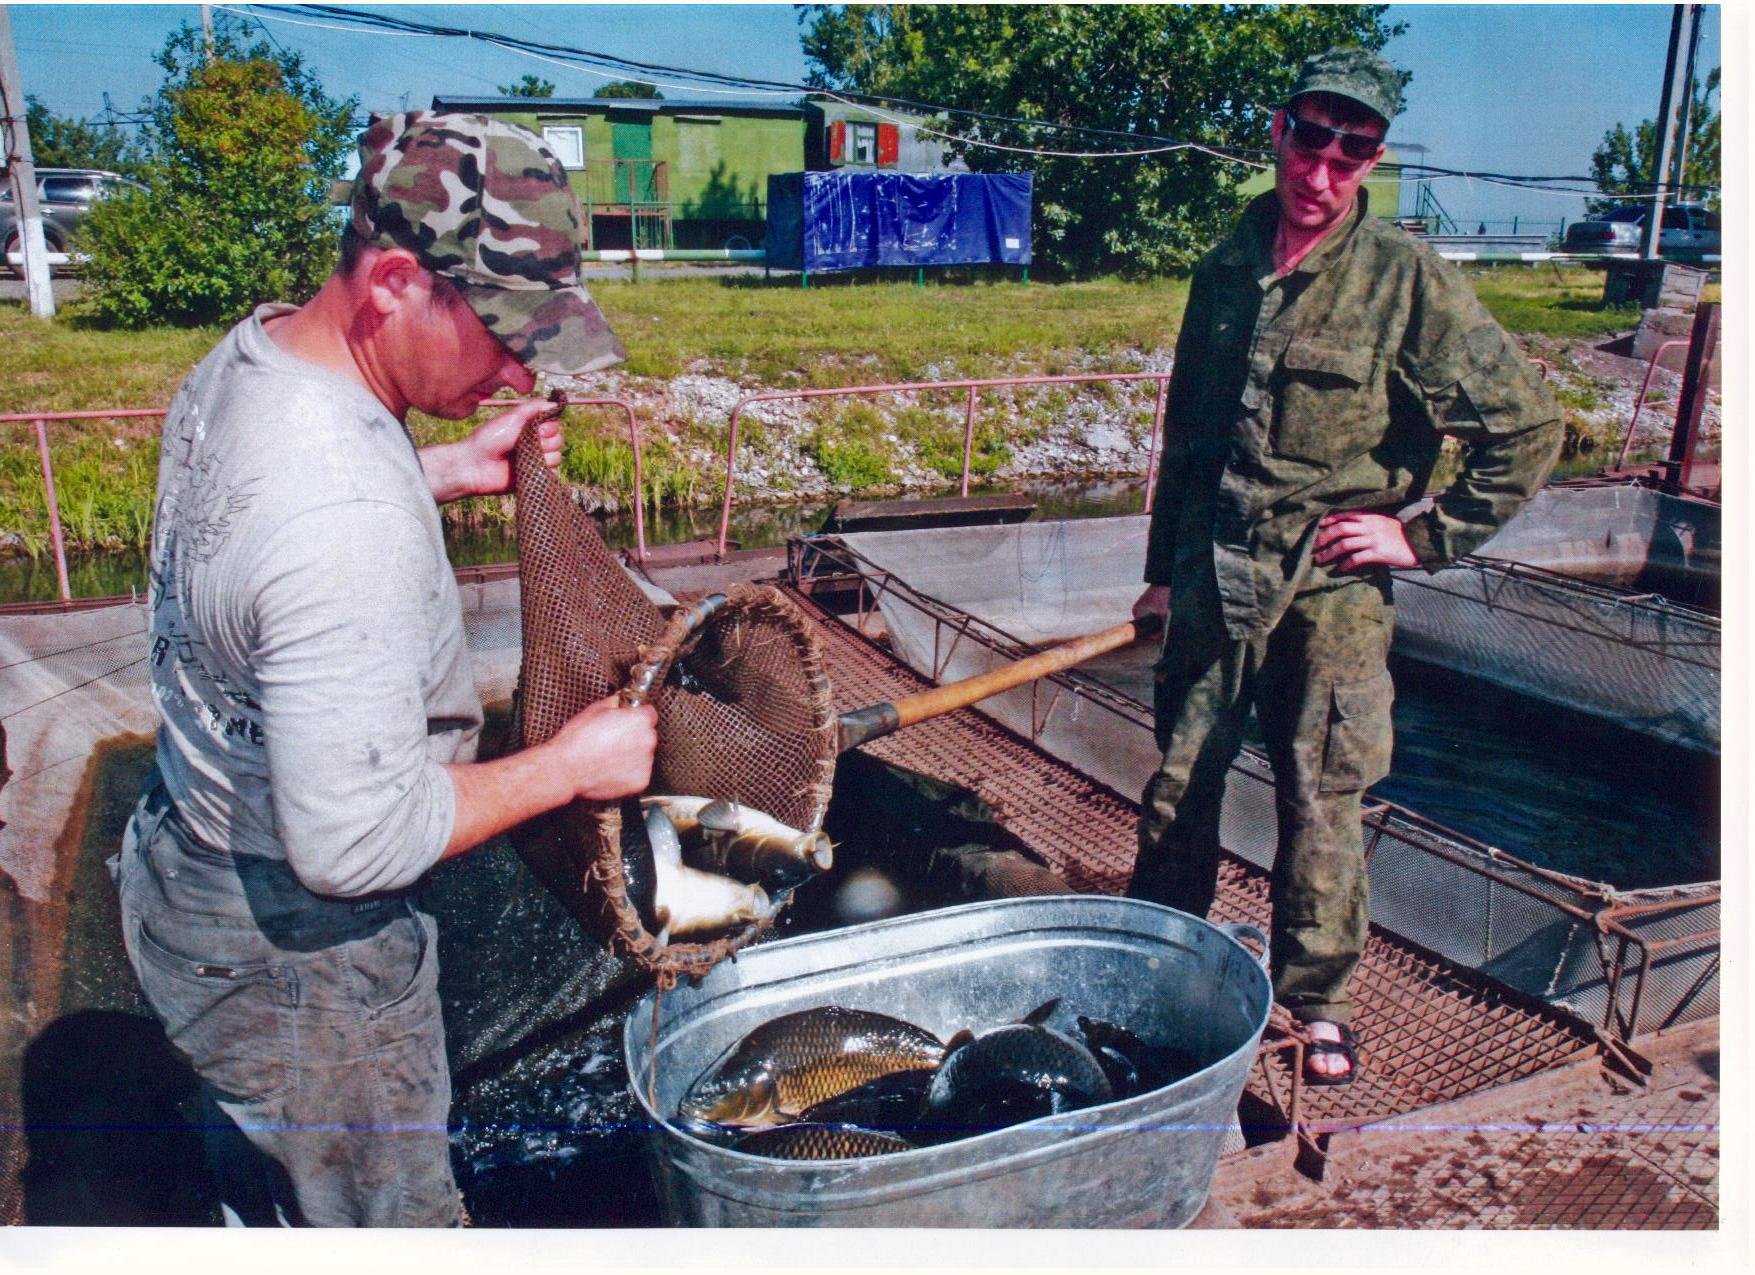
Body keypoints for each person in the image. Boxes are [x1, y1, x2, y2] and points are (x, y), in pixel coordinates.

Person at [110, 112, 659, 1226]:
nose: (519, 372)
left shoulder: (251, 359)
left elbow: (284, 527)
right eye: (503, 332)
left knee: (276, 1196)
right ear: (397, 281)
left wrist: (438, 471)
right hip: (300, 970)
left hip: (188, 871)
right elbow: (352, 844)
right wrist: (569, 763)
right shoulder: (339, 520)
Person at [1129, 49, 1562, 1086]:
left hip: (1331, 596)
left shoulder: (1405, 282)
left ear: (1373, 160)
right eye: (1311, 138)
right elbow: (1189, 434)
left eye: (1352, 149)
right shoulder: (1227, 264)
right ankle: (1149, 973)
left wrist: (1421, 535)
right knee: (1178, 789)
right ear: (1281, 133)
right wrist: (1158, 570)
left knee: (1322, 801)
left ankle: (1316, 1003)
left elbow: (1528, 428)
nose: (1322, 169)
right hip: (1214, 575)